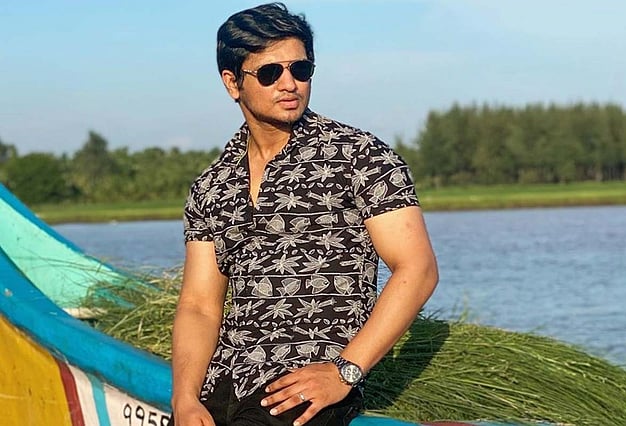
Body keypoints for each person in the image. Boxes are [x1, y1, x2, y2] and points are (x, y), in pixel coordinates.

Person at [170, 3, 439, 426]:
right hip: (225, 380)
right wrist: (184, 398)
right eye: (269, 73)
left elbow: (417, 269)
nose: (289, 83)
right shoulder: (212, 184)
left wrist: (345, 371)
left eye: (301, 69)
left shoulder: (360, 157)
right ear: (232, 82)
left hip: (306, 382)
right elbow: (199, 305)